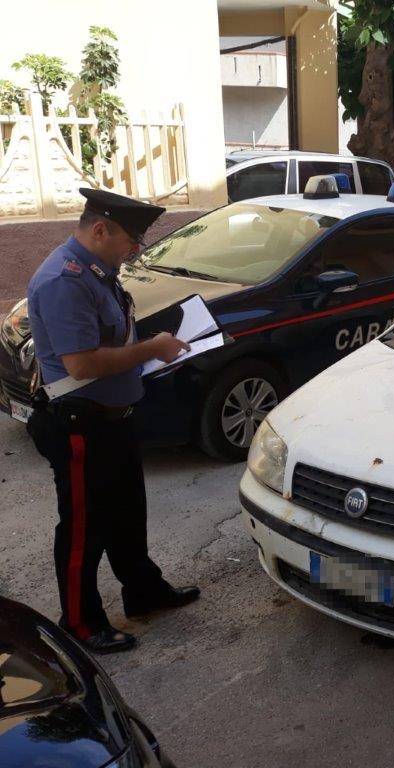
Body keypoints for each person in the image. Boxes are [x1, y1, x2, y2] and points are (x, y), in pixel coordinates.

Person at [26, 187, 200, 654]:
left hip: (114, 419)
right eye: (132, 239)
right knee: (85, 528)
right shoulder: (66, 281)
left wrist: (152, 355)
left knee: (127, 515)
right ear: (100, 229)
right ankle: (80, 623)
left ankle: (143, 592)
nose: (137, 249)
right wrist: (152, 349)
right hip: (81, 425)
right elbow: (80, 365)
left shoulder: (99, 273)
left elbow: (111, 339)